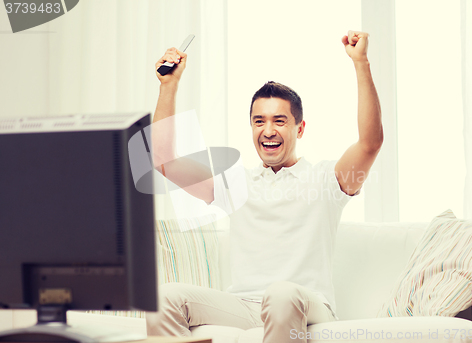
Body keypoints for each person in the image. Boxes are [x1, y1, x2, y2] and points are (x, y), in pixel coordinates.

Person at [147, 30, 383, 343]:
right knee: (165, 297)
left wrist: (361, 63)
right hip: (245, 306)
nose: (268, 130)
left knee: (281, 293)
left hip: (306, 305)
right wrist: (169, 85)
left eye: (279, 121)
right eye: (259, 121)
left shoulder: (327, 180)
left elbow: (370, 143)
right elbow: (165, 161)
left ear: (300, 128)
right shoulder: (235, 184)